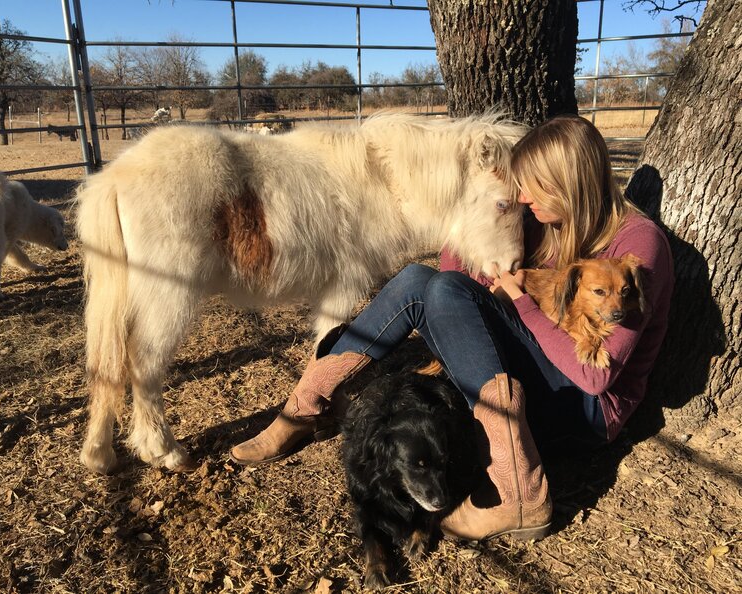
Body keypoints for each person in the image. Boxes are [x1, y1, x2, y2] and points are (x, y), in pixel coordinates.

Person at [230, 114, 675, 542]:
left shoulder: (636, 249)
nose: (524, 201)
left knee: (441, 290)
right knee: (416, 281)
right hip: (540, 381)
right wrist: (466, 222)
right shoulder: (549, 224)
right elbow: (455, 273)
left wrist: (520, 303)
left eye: (536, 189)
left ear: (570, 185)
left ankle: (517, 489)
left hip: (586, 411)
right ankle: (306, 404)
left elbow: (594, 378)